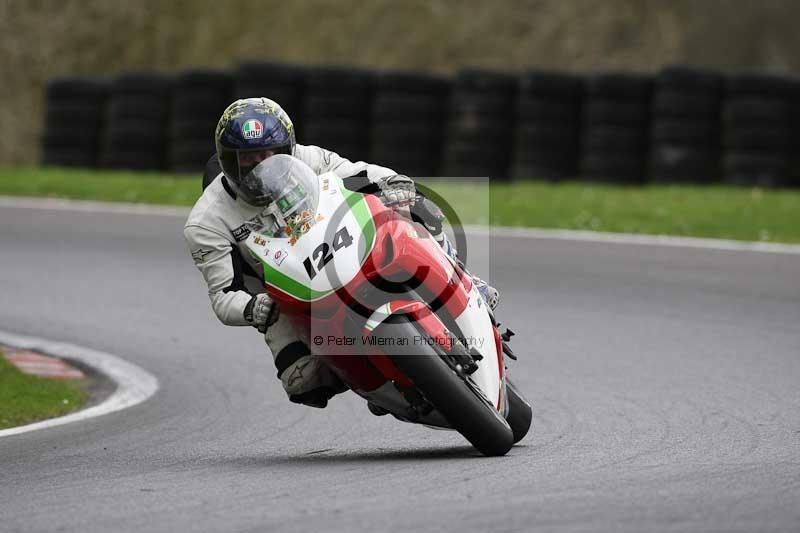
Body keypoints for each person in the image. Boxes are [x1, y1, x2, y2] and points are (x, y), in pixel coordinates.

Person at [184, 97, 499, 408]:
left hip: (337, 244)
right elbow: (223, 295)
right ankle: (376, 383)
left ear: (288, 150)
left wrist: (395, 183)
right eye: (248, 158)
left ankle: (467, 279)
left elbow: (359, 173)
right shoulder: (206, 221)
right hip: (279, 292)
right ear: (228, 161)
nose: (261, 166)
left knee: (416, 207)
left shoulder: (309, 158)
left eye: (270, 154)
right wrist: (254, 308)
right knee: (303, 381)